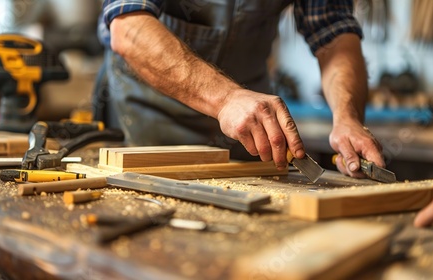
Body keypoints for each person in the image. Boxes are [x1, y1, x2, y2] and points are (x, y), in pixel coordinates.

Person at [96, 0, 384, 177]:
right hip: (146, 122)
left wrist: (347, 117)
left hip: (247, 130)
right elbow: (128, 28)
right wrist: (225, 100)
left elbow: (333, 34)